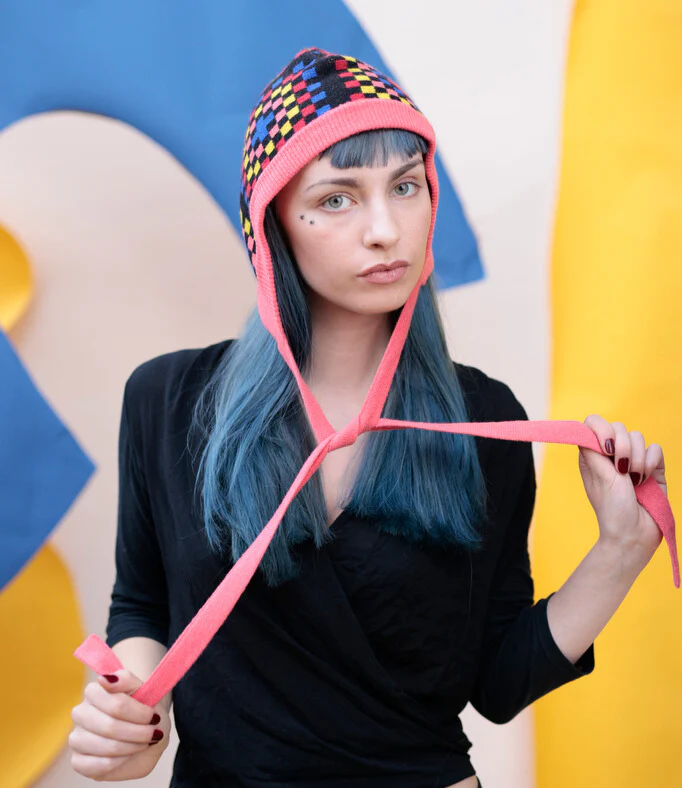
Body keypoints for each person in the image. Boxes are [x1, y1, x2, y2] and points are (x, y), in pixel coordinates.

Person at [68, 48, 669, 787]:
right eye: (337, 198)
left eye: (405, 186)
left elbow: (500, 685)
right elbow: (143, 606)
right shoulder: (167, 400)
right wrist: (131, 715)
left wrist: (620, 550)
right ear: (273, 224)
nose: (386, 229)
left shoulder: (488, 421)